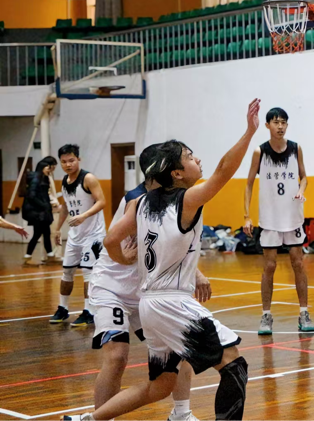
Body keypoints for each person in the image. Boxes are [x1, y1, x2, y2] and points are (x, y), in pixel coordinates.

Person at [61, 99, 260, 421]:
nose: (197, 159)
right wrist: (249, 132)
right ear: (177, 173)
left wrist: (124, 258)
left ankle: (88, 420)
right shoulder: (187, 200)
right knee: (234, 363)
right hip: (172, 303)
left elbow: (110, 240)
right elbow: (224, 170)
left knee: (161, 385)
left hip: (149, 305)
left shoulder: (139, 204)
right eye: (189, 157)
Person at [88, 143, 201, 421]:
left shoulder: (173, 198)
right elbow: (109, 242)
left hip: (147, 292)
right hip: (112, 287)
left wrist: (197, 274)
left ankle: (181, 414)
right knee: (117, 356)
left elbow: (171, 246)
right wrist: (122, 258)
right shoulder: (137, 200)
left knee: (180, 349)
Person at [243, 107, 314, 334]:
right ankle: (266, 316)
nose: (280, 126)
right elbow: (248, 184)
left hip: (293, 216)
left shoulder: (295, 149)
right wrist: (247, 216)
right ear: (267, 125)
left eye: (283, 122)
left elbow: (304, 177)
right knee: (270, 266)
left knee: (298, 263)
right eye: (276, 122)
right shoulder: (260, 152)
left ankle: (304, 313)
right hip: (270, 219)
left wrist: (301, 190)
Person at [50, 144, 107, 327]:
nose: (68, 164)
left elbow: (102, 202)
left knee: (88, 273)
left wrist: (84, 216)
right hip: (75, 235)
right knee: (67, 271)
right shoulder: (64, 181)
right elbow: (65, 207)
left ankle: (89, 311)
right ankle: (62, 308)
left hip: (93, 234)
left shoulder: (88, 178)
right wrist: (58, 228)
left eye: (71, 160)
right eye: (64, 162)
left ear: (78, 159)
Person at [22, 156, 58, 261]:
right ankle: (29, 255)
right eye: (48, 168)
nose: (50, 171)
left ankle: (49, 254)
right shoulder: (36, 179)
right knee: (39, 233)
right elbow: (31, 196)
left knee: (45, 233)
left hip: (41, 211)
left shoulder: (43, 178)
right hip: (38, 212)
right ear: (43, 168)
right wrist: (44, 205)